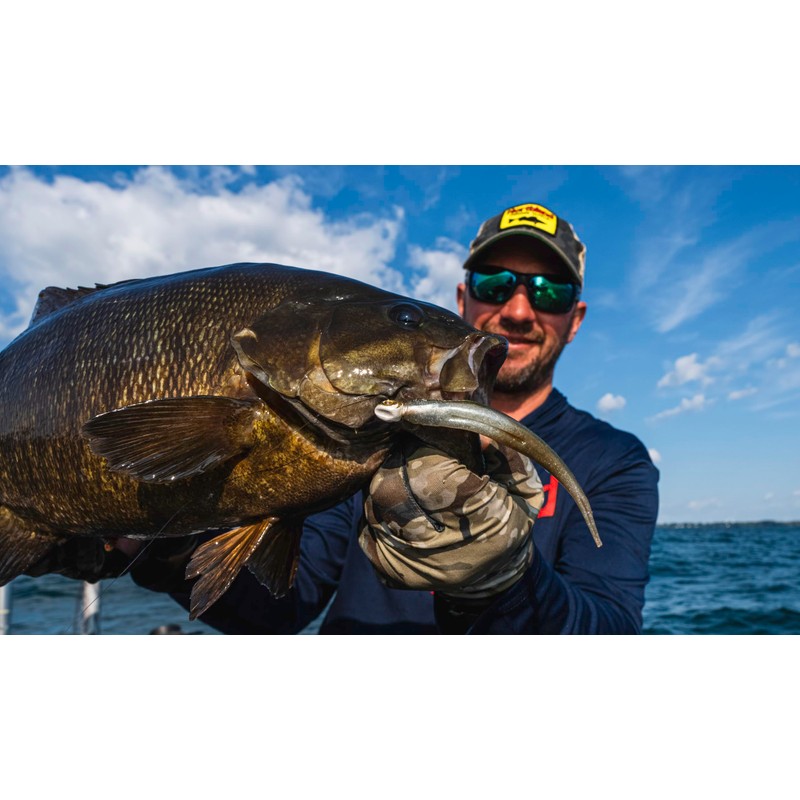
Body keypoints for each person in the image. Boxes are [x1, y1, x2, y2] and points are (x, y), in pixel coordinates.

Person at [33, 202, 660, 634]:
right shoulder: (359, 431)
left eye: (550, 291)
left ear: (575, 319)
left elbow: (607, 629)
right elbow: (281, 604)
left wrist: (502, 581)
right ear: (462, 297)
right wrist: (150, 546)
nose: (519, 311)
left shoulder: (615, 462)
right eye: (496, 284)